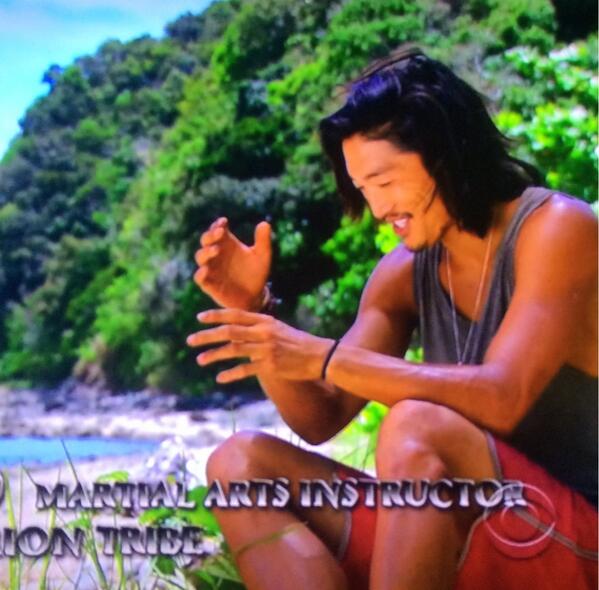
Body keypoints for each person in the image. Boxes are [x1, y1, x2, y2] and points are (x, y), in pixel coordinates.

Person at [186, 47, 598, 590]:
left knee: (414, 425)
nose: (378, 209)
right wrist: (251, 308)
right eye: (363, 190)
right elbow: (320, 417)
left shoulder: (556, 228)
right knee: (240, 464)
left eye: (385, 182)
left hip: (575, 540)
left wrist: (324, 357)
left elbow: (503, 396)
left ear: (445, 152)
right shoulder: (403, 272)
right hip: (463, 529)